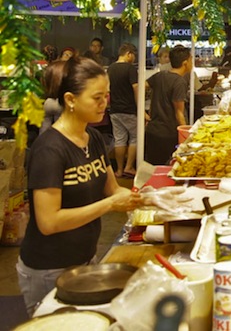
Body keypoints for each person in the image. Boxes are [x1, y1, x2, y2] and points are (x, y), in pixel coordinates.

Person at [17, 57, 140, 315]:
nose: (104, 103)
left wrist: (150, 198)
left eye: (106, 96)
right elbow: (49, 222)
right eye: (97, 98)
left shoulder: (93, 137)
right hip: (48, 268)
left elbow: (112, 189)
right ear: (71, 100)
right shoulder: (50, 149)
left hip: (85, 259)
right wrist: (109, 205)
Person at [144, 46, 192, 165]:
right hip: (168, 134)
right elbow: (179, 113)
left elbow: (141, 86)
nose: (192, 63)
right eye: (191, 60)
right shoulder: (179, 82)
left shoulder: (160, 75)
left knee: (152, 169)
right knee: (167, 168)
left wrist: (141, 111)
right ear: (185, 63)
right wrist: (187, 135)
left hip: (153, 131)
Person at [107, 43, 141, 178]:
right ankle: (129, 167)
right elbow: (136, 89)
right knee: (135, 137)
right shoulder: (130, 68)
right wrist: (140, 108)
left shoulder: (110, 68)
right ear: (129, 54)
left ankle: (119, 170)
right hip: (129, 109)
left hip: (115, 110)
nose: (134, 58)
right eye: (134, 55)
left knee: (119, 139)